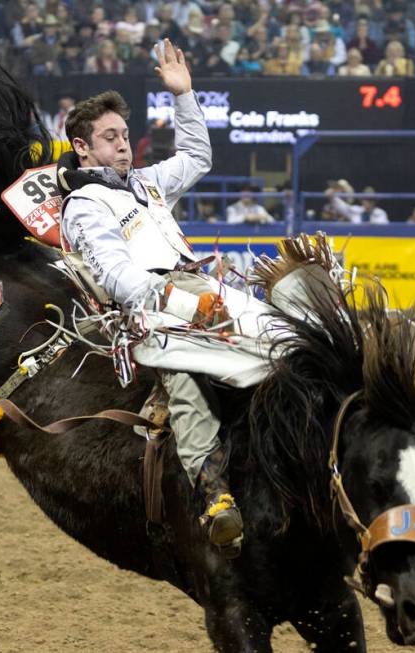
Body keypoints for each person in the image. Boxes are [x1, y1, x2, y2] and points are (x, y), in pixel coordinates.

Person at [59, 39, 258, 556]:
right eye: (109, 137)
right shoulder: (84, 204)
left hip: (201, 285)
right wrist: (175, 299)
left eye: (124, 135)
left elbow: (195, 156)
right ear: (83, 148)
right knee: (187, 371)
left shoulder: (146, 184)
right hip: (149, 307)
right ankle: (213, 493)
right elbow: (118, 273)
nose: (123, 145)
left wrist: (184, 96)